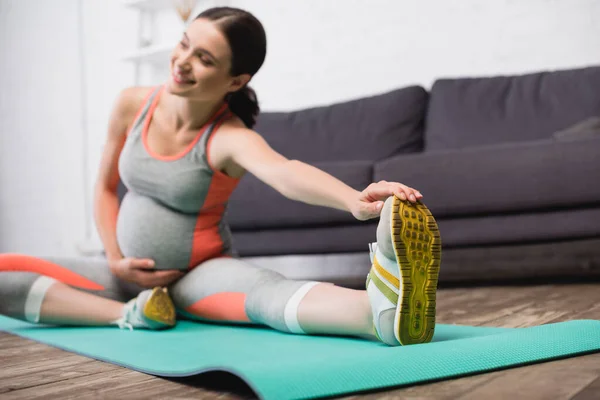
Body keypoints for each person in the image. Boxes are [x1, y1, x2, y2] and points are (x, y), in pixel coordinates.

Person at [0, 7, 440, 346]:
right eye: (184, 44)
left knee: (266, 296)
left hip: (198, 275)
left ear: (235, 80)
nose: (182, 62)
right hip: (124, 276)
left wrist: (355, 201)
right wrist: (116, 259)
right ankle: (133, 312)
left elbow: (285, 172)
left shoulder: (227, 136)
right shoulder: (131, 104)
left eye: (204, 59)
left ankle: (377, 313)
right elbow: (105, 188)